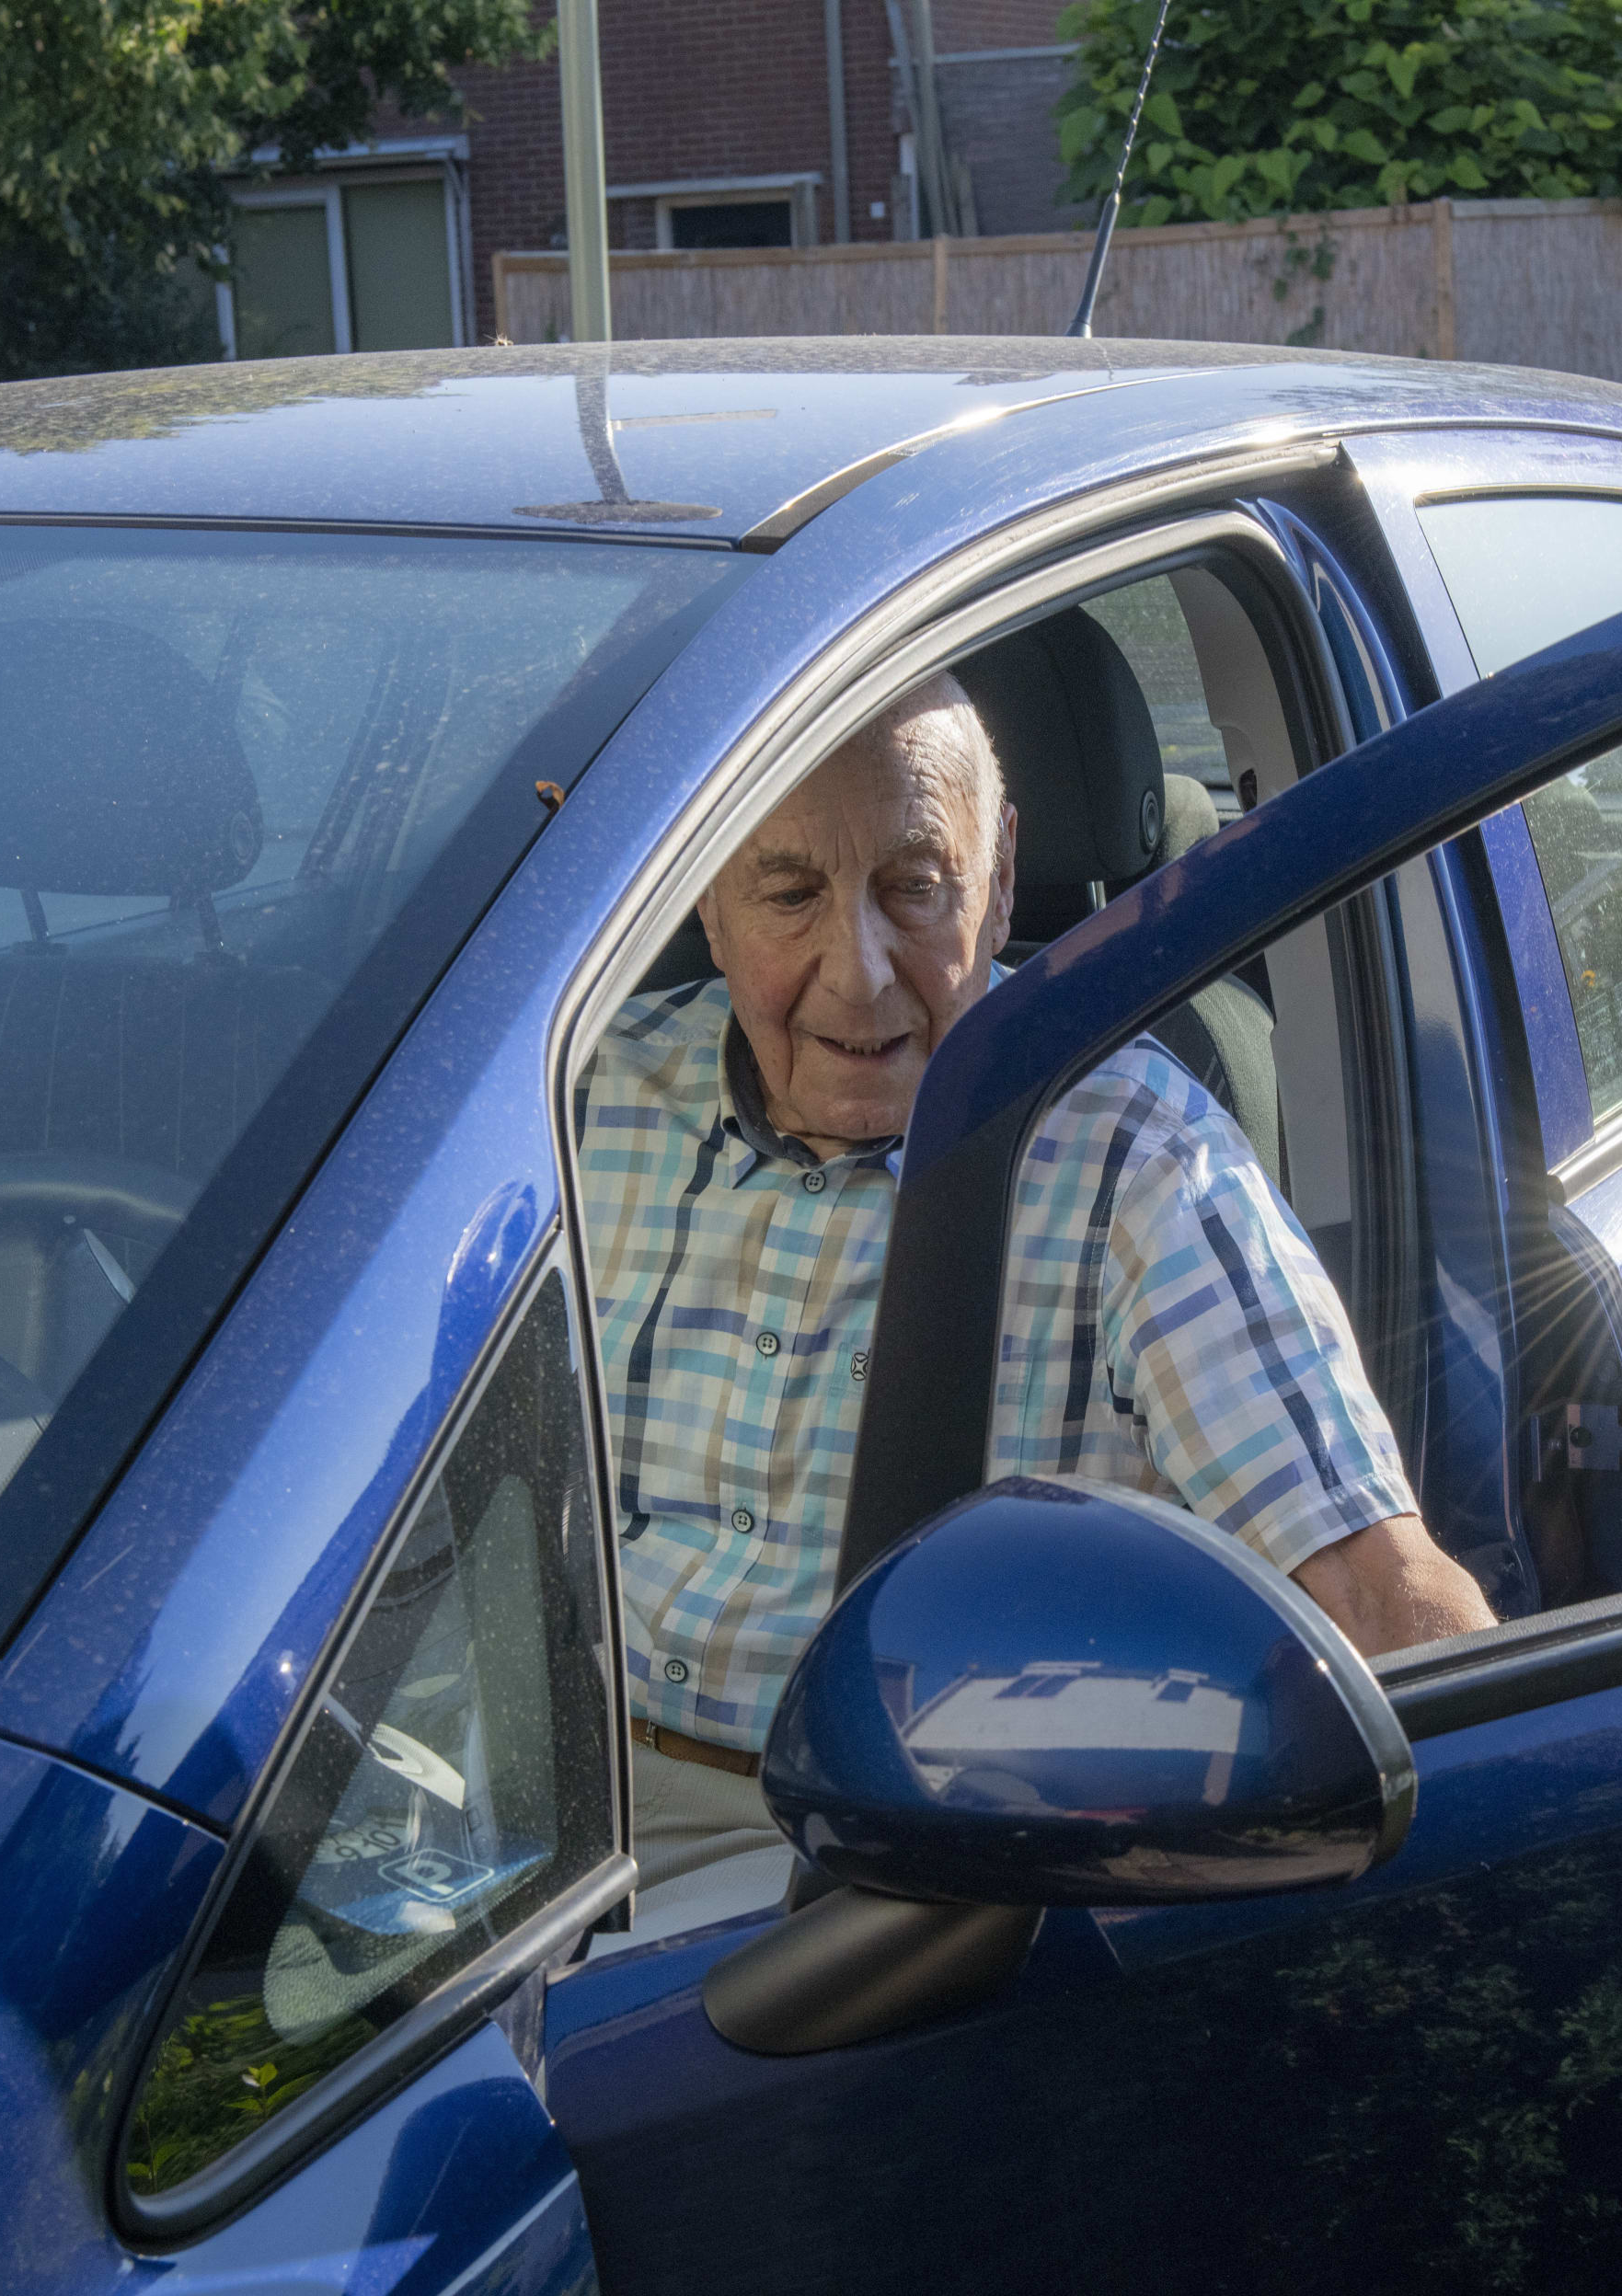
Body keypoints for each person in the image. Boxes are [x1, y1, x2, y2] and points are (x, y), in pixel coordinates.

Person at [575, 672, 1495, 1917]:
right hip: (534, 1806)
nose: (857, 972)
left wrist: (1495, 1877)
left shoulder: (1137, 1163)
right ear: (703, 890)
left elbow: (1381, 1602)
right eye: (789, 892)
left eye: (914, 886)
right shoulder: (579, 1095)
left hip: (882, 1862)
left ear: (1000, 874)